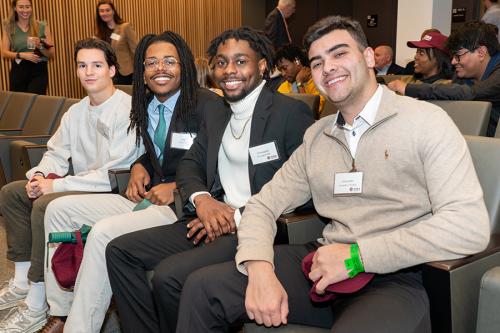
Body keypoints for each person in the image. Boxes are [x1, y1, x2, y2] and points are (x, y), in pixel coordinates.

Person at [174, 16, 490, 333]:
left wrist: (357, 257)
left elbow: (468, 226)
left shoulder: (426, 122)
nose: (328, 68)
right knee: (203, 289)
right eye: (316, 62)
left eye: (339, 54)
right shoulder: (318, 137)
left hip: (395, 275)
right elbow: (263, 205)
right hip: (323, 263)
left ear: (368, 57)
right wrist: (259, 268)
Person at [105, 26, 314, 333]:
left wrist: (238, 216)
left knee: (169, 278)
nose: (229, 70)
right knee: (119, 251)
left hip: (261, 227)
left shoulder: (289, 113)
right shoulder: (219, 113)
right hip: (210, 217)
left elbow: (308, 188)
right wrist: (203, 201)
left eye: (240, 61)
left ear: (263, 65)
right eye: (221, 62)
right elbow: (189, 165)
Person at [38, 32, 222, 333]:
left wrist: (177, 187)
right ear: (142, 70)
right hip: (146, 195)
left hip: (180, 205)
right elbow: (158, 152)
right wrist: (139, 165)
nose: (160, 68)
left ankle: (79, 328)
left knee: (103, 233)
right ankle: (61, 311)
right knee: (58, 211)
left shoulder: (206, 104)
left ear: (184, 65)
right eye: (151, 62)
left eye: (169, 61)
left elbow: (215, 165)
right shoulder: (144, 102)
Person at [0, 38, 141, 333]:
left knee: (44, 205)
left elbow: (113, 173)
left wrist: (56, 187)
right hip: (79, 183)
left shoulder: (127, 110)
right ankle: (23, 280)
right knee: (12, 193)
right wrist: (39, 177)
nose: (89, 72)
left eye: (97, 65)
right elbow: (55, 153)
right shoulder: (76, 112)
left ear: (113, 70)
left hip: (112, 190)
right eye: (82, 65)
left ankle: (38, 302)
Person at [389, 21, 500, 137]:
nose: (453, 62)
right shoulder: (463, 75)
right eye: (452, 57)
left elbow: (468, 93)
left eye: (458, 56)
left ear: (481, 53)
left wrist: (407, 88)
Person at [1, 0, 55, 94]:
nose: (25, 10)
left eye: (27, 6)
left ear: (31, 8)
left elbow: (51, 54)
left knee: (36, 103)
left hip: (38, 69)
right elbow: (4, 52)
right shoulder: (9, 27)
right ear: (15, 8)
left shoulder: (42, 26)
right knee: (19, 103)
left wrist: (40, 46)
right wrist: (22, 55)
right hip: (19, 69)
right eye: (21, 7)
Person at [387, 31, 453, 88]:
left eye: (421, 53)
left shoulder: (448, 87)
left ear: (438, 59)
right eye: (417, 52)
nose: (415, 57)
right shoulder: (405, 81)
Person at [95, 0, 137, 84]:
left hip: (126, 73)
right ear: (99, 14)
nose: (105, 13)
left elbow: (135, 49)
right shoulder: (99, 34)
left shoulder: (125, 27)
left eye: (107, 10)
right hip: (108, 73)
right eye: (102, 11)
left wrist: (140, 70)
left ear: (113, 11)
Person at [276, 44, 325, 114]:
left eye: (285, 68)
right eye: (280, 70)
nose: (283, 73)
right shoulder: (283, 87)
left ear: (297, 61)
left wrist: (299, 83)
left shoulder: (318, 81)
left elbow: (308, 113)